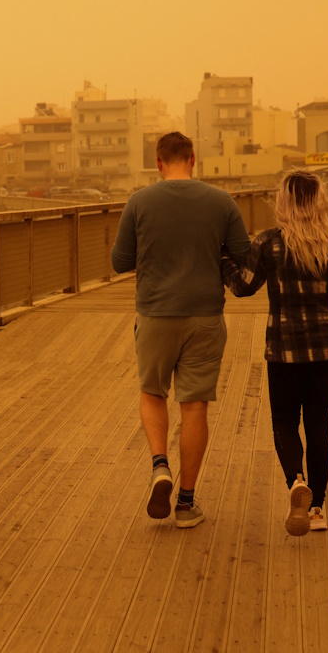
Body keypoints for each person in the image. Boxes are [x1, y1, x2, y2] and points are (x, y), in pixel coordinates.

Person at [111, 132, 251, 528]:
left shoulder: (139, 202)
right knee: (194, 406)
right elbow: (242, 254)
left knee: (152, 393)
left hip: (155, 313)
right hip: (205, 315)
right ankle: (187, 504)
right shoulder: (222, 201)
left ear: (158, 162)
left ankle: (160, 467)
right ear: (193, 158)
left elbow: (120, 261)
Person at [221, 170, 328, 536]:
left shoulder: (269, 243)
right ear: (319, 202)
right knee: (317, 424)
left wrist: (222, 257)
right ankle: (317, 509)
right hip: (326, 349)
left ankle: (296, 481)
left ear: (283, 202)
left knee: (285, 422)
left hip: (284, 349)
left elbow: (242, 287)